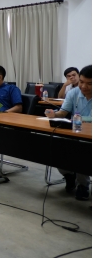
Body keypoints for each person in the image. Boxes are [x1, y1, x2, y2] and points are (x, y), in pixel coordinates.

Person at [45, 65, 92, 200]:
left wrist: (77, 118)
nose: (83, 86)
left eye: (89, 84)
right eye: (82, 82)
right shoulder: (73, 92)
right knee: (57, 149)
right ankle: (69, 175)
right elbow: (63, 112)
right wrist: (54, 114)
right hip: (74, 131)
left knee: (81, 154)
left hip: (89, 136)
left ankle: (83, 185)